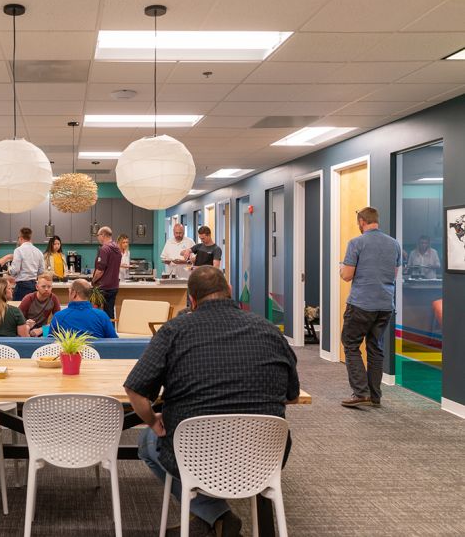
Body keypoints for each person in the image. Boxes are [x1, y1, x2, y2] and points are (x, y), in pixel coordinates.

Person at [124, 266, 300, 537]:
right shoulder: (269, 330)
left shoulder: (174, 331)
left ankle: (215, 513)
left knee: (148, 444)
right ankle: (214, 517)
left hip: (195, 454)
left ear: (191, 300)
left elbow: (135, 390)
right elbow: (292, 396)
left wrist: (153, 423)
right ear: (230, 292)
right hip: (262, 456)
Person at [339, 206, 401, 408]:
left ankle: (360, 392)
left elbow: (347, 275)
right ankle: (375, 395)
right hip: (385, 305)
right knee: (375, 347)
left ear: (362, 222)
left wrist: (342, 268)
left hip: (361, 304)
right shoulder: (394, 244)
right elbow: (393, 275)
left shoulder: (356, 243)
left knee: (350, 344)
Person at [49, 279, 117, 339]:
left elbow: (50, 344)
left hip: (69, 353)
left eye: (69, 291)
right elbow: (114, 342)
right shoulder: (102, 316)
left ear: (74, 293)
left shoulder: (59, 317)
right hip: (97, 353)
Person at [92, 226, 121, 319]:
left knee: (95, 313)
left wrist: (93, 281)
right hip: (114, 286)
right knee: (109, 313)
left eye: (98, 235)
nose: (98, 238)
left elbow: (100, 271)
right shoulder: (117, 248)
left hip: (102, 288)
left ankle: (97, 333)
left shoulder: (104, 249)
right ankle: (110, 332)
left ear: (103, 235)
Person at [9, 227, 44, 301]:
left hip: (22, 286)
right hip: (34, 285)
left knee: (19, 309)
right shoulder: (39, 252)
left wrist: (10, 270)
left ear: (21, 238)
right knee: (32, 309)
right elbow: (41, 271)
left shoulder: (18, 250)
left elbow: (15, 270)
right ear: (30, 238)